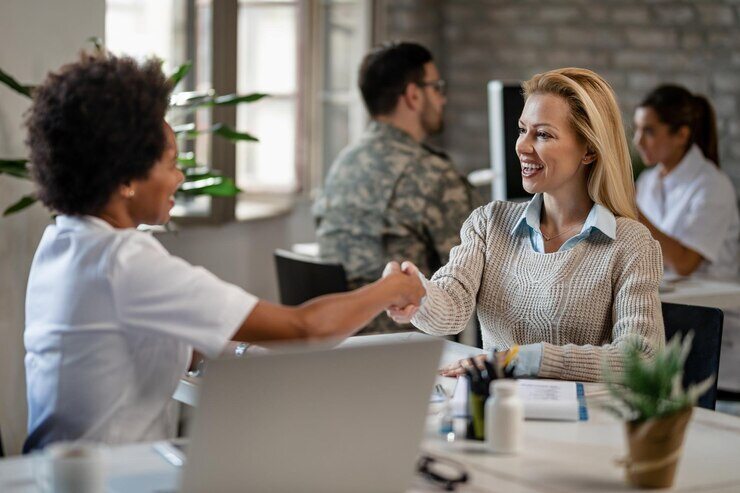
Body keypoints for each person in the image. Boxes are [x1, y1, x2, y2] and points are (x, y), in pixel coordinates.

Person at [22, 53, 424, 452]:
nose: (179, 177)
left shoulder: (63, 241)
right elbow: (305, 328)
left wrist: (244, 349)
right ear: (127, 176)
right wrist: (392, 287)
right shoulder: (123, 259)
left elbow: (160, 341)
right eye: (170, 163)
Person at [386, 68, 665, 382]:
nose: (521, 146)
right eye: (522, 130)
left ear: (588, 150)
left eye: (543, 134)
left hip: (585, 423)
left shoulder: (630, 243)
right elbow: (452, 307)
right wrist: (416, 294)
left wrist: (521, 359)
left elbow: (642, 358)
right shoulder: (489, 223)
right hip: (499, 412)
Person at [312, 41, 480, 334]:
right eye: (437, 88)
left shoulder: (345, 162)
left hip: (339, 337)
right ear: (414, 95)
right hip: (401, 344)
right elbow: (477, 272)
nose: (443, 99)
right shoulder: (431, 172)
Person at [633, 84, 740, 392]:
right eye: (637, 130)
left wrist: (633, 211)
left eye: (649, 131)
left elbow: (684, 263)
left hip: (711, 322)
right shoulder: (649, 180)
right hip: (668, 311)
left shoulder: (712, 185)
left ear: (681, 134)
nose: (638, 141)